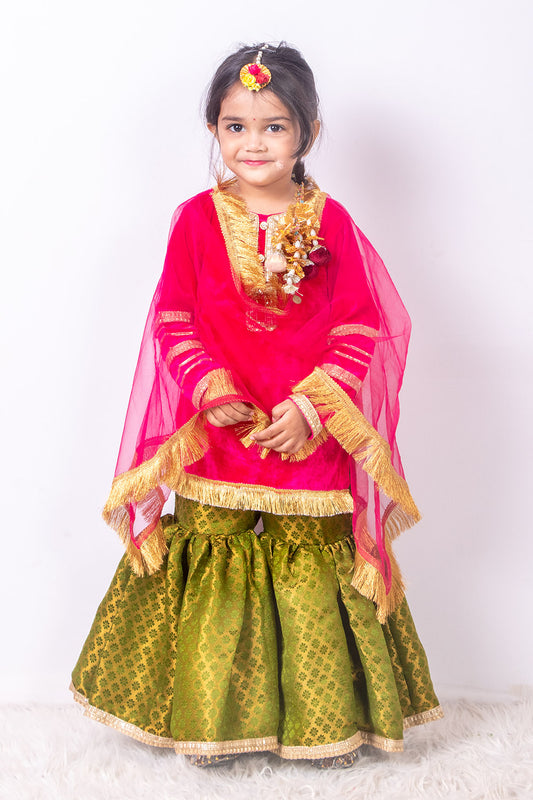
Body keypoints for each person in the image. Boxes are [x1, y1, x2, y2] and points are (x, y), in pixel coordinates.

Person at [71, 42, 443, 769]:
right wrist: (210, 388)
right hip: (223, 429)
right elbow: (174, 316)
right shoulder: (195, 219)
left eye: (274, 126)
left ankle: (324, 726)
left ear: (308, 131)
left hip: (307, 432)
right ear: (213, 128)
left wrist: (312, 407)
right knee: (215, 553)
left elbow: (360, 324)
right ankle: (211, 724)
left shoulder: (331, 221)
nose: (253, 142)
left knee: (309, 562)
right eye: (235, 126)